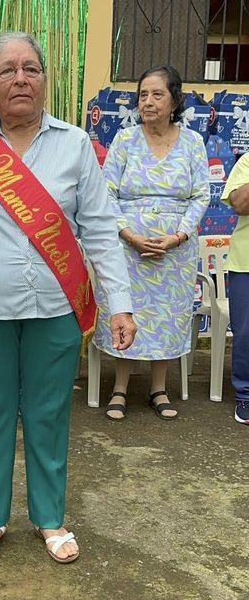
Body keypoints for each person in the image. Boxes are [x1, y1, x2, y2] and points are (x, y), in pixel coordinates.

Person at [0, 31, 136, 567]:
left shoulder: (75, 144)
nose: (20, 79)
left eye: (31, 69)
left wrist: (120, 303)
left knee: (49, 411)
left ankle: (49, 516)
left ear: (45, 80)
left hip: (58, 304)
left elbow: (99, 228)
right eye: (7, 70)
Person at [93, 65, 210, 422]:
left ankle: (159, 389)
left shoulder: (193, 142)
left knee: (166, 317)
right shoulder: (125, 140)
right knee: (126, 311)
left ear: (174, 100)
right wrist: (129, 235)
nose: (148, 101)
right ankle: (120, 388)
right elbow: (106, 193)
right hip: (129, 249)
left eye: (157, 94)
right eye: (143, 95)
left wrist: (177, 236)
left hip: (175, 252)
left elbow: (201, 195)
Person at [220, 152, 249, 425]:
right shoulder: (247, 162)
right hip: (246, 262)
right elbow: (240, 204)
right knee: (246, 333)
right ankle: (246, 395)